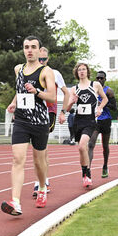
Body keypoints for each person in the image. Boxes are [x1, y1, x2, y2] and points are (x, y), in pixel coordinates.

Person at [1, 35, 56, 216]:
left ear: (40, 50)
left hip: (39, 122)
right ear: (23, 50)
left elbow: (52, 97)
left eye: (33, 47)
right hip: (22, 120)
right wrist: (13, 102)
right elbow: (20, 90)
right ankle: (15, 202)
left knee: (39, 162)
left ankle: (42, 187)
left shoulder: (46, 71)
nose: (29, 50)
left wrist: (37, 91)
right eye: (26, 47)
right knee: (18, 159)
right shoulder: (18, 69)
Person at [32, 47, 69, 198]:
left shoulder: (54, 73)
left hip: (49, 112)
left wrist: (63, 112)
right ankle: (42, 181)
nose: (41, 62)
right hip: (33, 112)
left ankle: (42, 182)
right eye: (39, 59)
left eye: (44, 59)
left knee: (42, 147)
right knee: (36, 150)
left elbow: (66, 93)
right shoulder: (30, 71)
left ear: (48, 59)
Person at [67, 62, 108, 187]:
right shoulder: (74, 89)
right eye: (79, 70)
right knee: (82, 149)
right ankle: (85, 172)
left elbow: (105, 98)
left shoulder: (95, 85)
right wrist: (72, 102)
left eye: (84, 69)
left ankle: (87, 174)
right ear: (77, 72)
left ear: (87, 71)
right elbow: (68, 108)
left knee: (82, 146)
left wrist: (100, 108)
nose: (82, 71)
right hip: (78, 121)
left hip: (90, 121)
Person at [88, 71, 116, 178]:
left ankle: (105, 166)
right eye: (98, 78)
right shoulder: (92, 89)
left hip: (105, 120)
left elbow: (114, 107)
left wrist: (103, 104)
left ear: (105, 79)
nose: (99, 80)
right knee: (91, 144)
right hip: (95, 120)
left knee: (105, 146)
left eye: (102, 78)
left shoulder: (109, 91)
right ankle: (88, 170)